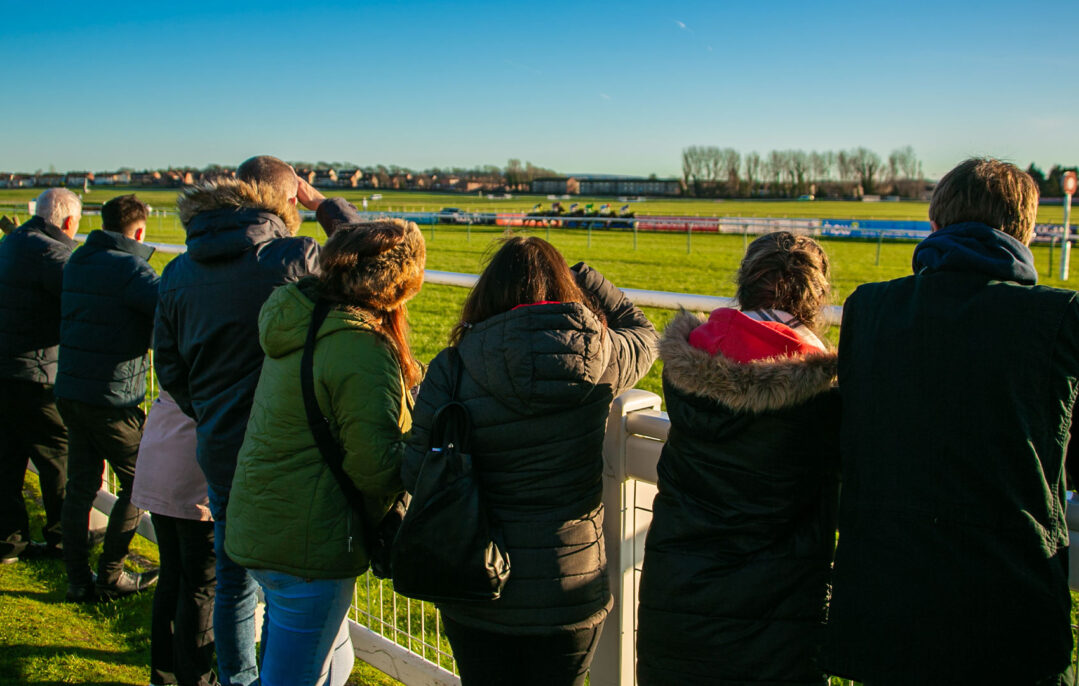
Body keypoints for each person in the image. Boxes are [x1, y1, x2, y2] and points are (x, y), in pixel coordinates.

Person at [822, 158, 1078, 685]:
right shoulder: (1061, 316)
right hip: (1008, 615)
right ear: (1025, 233)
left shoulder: (869, 308)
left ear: (934, 226)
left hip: (885, 609)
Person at [403, 237, 657, 686]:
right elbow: (643, 332)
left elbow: (415, 471)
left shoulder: (453, 367)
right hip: (570, 585)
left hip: (475, 582)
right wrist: (589, 278)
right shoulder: (601, 356)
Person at [154, 155, 367, 685]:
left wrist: (212, 413)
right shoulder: (294, 255)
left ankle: (237, 678)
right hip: (292, 452)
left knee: (233, 583)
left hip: (221, 447)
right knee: (287, 588)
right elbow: (373, 255)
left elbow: (170, 367)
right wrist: (327, 206)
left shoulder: (179, 268)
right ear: (289, 198)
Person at [636, 232, 841, 686]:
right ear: (817, 298)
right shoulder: (824, 394)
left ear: (744, 283)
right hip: (776, 621)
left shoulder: (688, 363)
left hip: (676, 606)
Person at [226, 220, 424, 686]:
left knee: (335, 661)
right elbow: (375, 470)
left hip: (266, 523)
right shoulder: (360, 346)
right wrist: (426, 444)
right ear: (397, 285)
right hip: (308, 545)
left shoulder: (300, 317)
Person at [55, 193, 160, 602]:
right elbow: (168, 309)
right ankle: (111, 573)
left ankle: (77, 578)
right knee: (141, 482)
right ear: (137, 230)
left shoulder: (79, 259)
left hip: (72, 388)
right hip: (112, 398)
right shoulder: (131, 270)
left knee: (80, 485)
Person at [0, 188, 81, 564]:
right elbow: (81, 298)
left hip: (6, 366)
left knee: (8, 456)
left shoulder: (13, 241)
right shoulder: (53, 253)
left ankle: (10, 540)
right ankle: (62, 539)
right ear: (67, 222)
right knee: (57, 456)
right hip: (34, 371)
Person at [131, 390, 217, 686]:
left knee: (173, 575)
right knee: (201, 585)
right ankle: (195, 678)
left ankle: (164, 674)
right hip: (193, 469)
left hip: (162, 453)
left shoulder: (177, 346)